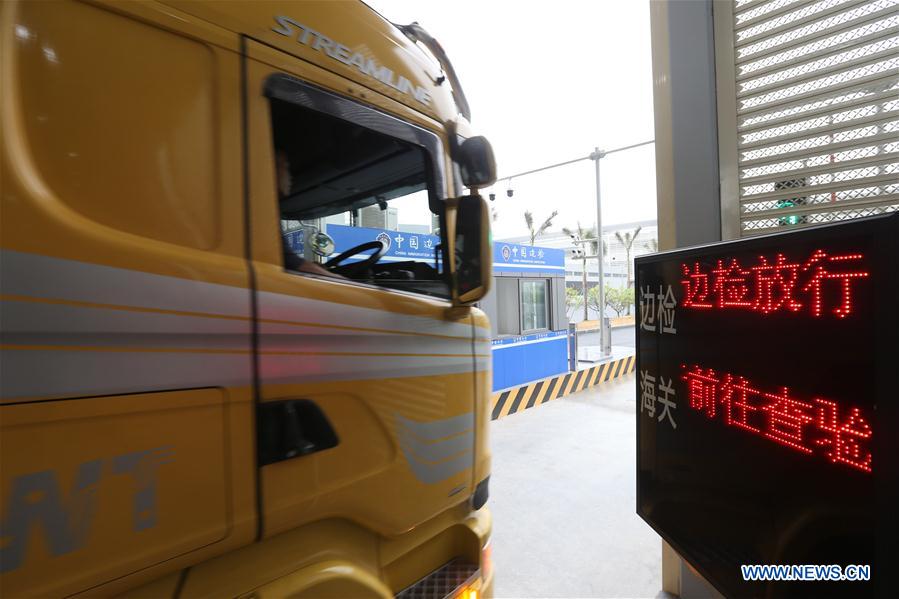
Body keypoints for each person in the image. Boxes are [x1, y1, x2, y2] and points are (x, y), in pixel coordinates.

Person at [276, 150, 340, 277]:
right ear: (271, 169)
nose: (290, 176)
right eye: (286, 167)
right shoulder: (263, 215)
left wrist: (313, 267)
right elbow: (294, 264)